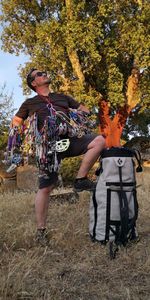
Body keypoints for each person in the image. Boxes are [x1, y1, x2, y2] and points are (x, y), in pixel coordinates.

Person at [11, 68, 106, 245]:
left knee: (99, 141)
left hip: (69, 140)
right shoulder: (29, 103)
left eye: (43, 72)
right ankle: (41, 231)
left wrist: (74, 115)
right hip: (47, 148)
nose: (44, 74)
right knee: (46, 188)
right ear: (34, 83)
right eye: (39, 74)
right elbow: (16, 121)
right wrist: (21, 135)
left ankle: (80, 179)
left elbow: (84, 110)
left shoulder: (63, 97)